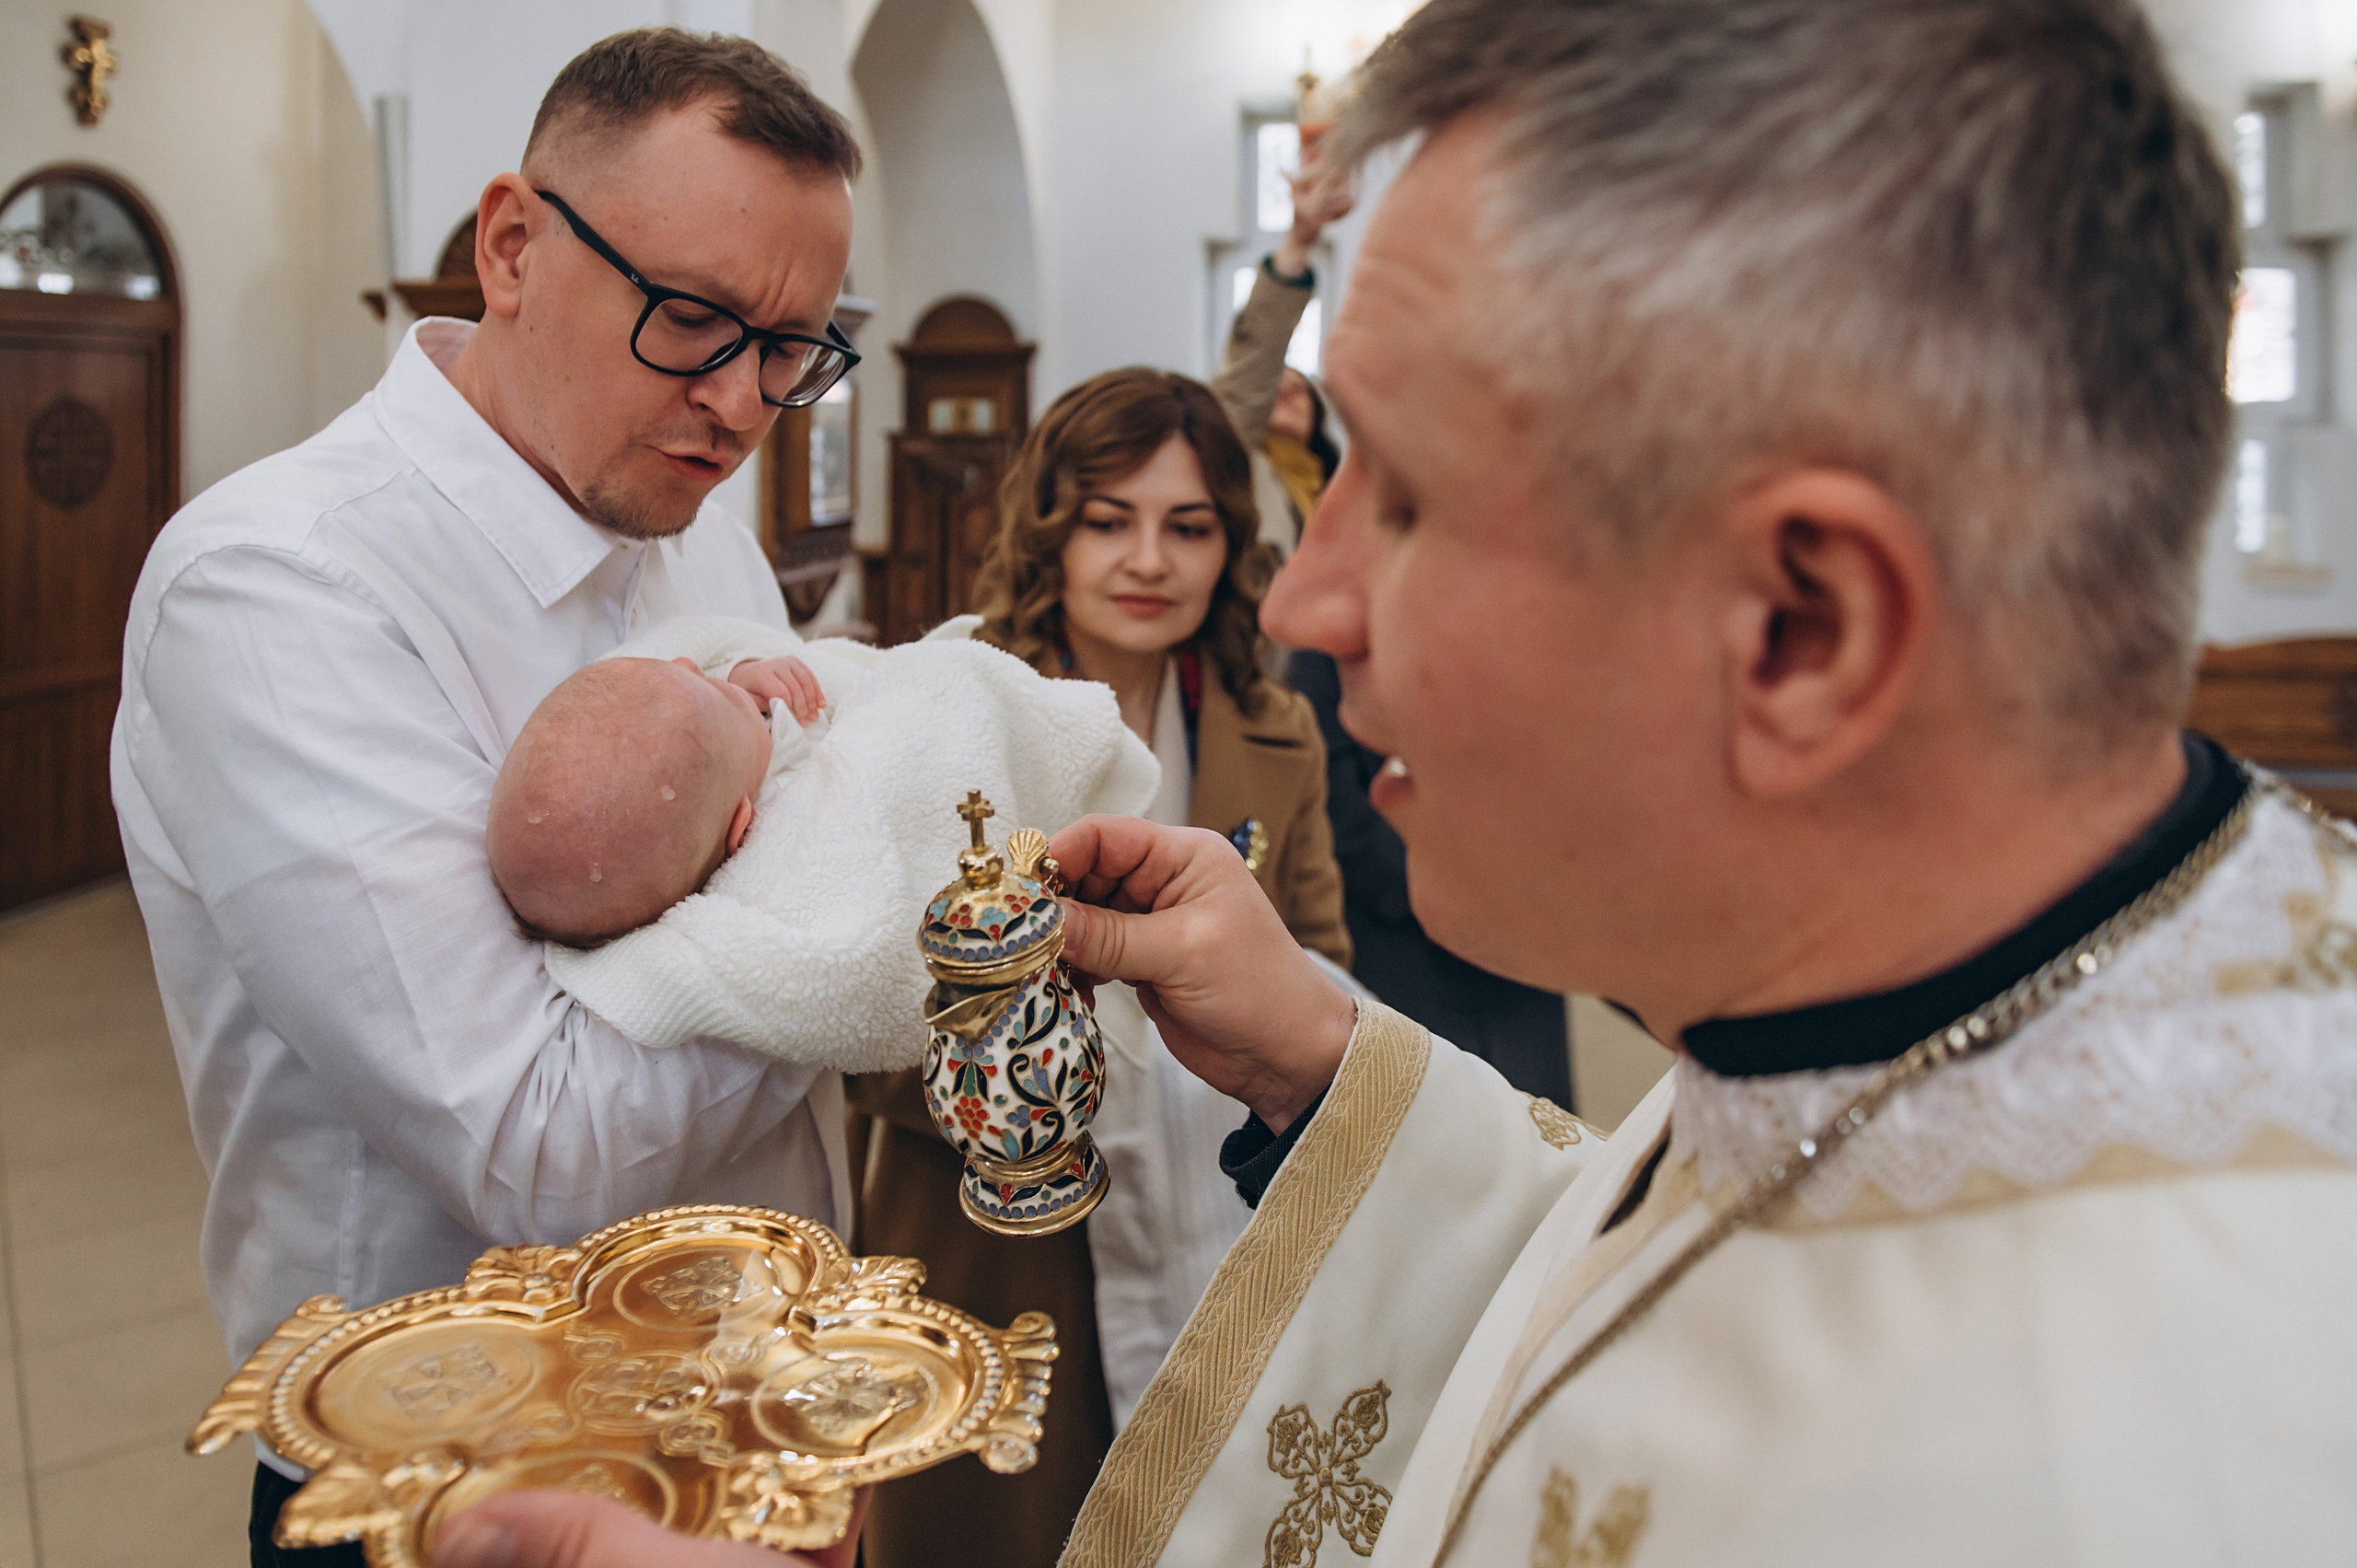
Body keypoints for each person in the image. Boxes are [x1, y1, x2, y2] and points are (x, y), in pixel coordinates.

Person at [446, 0, 2357, 1564]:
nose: (1318, 592)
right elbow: (1657, 1250)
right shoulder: (1952, 1024)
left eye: (1412, 490)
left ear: (1796, 628)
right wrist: (1329, 1060)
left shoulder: (2115, 1463)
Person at [109, 29, 865, 1564]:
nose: (737, 406)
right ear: (512, 243)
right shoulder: (279, 584)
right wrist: (869, 948)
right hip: (458, 1473)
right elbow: (536, 1141)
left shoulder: (697, 524)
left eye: (792, 348)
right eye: (692, 319)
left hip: (757, 1407)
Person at [845, 368, 1350, 1568]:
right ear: (1050, 527)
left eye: (1190, 525)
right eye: (1109, 517)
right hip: (993, 1239)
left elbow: (1324, 968)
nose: (1149, 559)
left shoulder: (1276, 729)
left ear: (1232, 544)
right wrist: (1027, 1064)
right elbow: (851, 1017)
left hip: (1218, 1226)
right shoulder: (947, 712)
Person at [482, 612, 1152, 1064]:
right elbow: (880, 861)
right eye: (729, 696)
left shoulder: (697, 795)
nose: (691, 659)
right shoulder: (788, 843)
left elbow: (696, 732)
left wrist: (743, 677)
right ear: (744, 828)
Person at [1287, 647, 1574, 1107]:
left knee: (1542, 1131)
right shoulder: (1329, 655)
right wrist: (1468, 894)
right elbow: (1336, 810)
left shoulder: (1524, 638)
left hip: (1522, 957)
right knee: (1425, 1119)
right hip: (1398, 949)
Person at [1211, 167, 1353, 555]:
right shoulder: (1232, 462)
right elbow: (1257, 355)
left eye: (1299, 391)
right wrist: (1298, 242)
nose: (1286, 395)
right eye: (1276, 389)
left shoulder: (1336, 490)